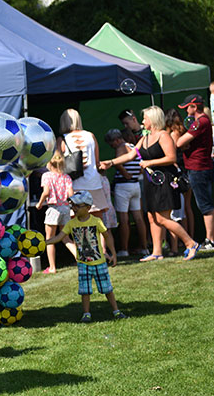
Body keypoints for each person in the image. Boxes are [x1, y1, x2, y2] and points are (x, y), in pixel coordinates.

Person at [100, 106, 200, 262]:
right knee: (152, 217)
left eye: (145, 118)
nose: (142, 121)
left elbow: (171, 158)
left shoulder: (163, 136)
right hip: (151, 181)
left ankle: (191, 243)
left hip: (164, 180)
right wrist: (111, 163)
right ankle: (156, 252)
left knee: (162, 218)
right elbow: (131, 155)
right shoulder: (145, 138)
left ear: (152, 120)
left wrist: (149, 162)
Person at [46, 191, 127, 322]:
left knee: (107, 289)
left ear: (88, 208)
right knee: (85, 290)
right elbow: (59, 237)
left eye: (77, 205)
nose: (74, 208)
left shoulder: (96, 221)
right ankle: (86, 314)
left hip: (99, 262)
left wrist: (113, 253)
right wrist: (44, 243)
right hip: (83, 264)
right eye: (73, 205)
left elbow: (107, 236)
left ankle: (116, 311)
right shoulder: (71, 224)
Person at [174, 94, 214, 250]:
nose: (186, 111)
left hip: (199, 168)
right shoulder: (203, 121)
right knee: (204, 204)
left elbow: (180, 142)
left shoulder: (200, 122)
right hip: (200, 166)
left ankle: (211, 240)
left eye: (187, 108)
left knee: (205, 205)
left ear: (194, 107)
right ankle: (210, 239)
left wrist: (177, 135)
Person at [58, 109, 111, 217]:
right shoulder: (90, 136)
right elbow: (97, 162)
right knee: (97, 223)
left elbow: (58, 164)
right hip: (93, 182)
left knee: (75, 222)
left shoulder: (62, 139)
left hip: (73, 185)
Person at [105, 128, 147, 258]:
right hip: (135, 185)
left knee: (123, 219)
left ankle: (124, 249)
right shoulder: (133, 146)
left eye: (112, 144)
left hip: (123, 186)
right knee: (138, 218)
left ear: (117, 140)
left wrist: (125, 174)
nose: (112, 146)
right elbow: (140, 164)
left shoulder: (120, 147)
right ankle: (144, 247)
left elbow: (118, 164)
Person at [35, 150, 75, 273]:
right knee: (65, 238)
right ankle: (80, 258)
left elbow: (46, 192)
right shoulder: (66, 177)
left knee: (50, 239)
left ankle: (52, 267)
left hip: (53, 209)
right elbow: (71, 194)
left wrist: (40, 203)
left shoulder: (46, 176)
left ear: (49, 163)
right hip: (65, 208)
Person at [165, 107, 194, 241]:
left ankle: (184, 238)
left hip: (179, 172)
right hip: (187, 169)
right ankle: (190, 235)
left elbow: (174, 152)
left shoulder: (173, 134)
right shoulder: (184, 131)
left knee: (180, 209)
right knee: (187, 207)